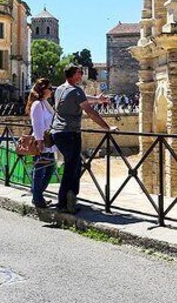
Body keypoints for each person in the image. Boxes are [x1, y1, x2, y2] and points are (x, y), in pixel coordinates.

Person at [50, 64, 115, 213]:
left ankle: (67, 200)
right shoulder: (76, 90)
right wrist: (106, 127)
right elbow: (90, 111)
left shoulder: (60, 89)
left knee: (73, 165)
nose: (81, 75)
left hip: (57, 133)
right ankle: (66, 202)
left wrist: (98, 100)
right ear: (72, 75)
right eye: (79, 73)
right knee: (71, 168)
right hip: (70, 133)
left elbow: (81, 99)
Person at [27, 78, 56, 208]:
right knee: (40, 170)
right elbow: (37, 124)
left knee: (49, 168)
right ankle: (38, 198)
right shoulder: (37, 104)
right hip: (42, 142)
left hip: (48, 142)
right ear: (43, 90)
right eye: (50, 88)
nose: (52, 91)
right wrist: (39, 141)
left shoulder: (44, 103)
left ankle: (37, 194)